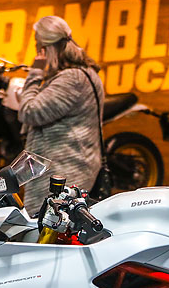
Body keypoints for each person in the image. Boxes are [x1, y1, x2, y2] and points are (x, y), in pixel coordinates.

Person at [18, 15, 105, 211]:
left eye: (36, 43)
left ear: (44, 47)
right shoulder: (87, 73)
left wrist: (35, 73)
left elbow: (28, 111)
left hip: (62, 171)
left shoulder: (71, 79)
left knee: (48, 233)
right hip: (73, 168)